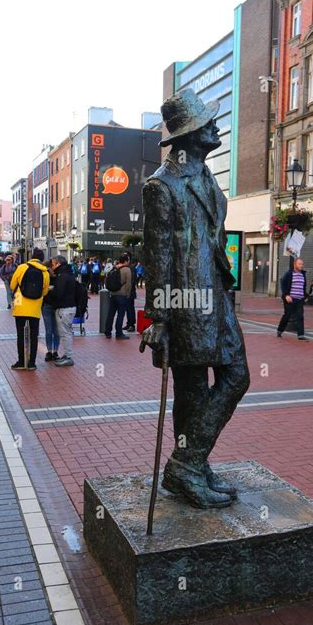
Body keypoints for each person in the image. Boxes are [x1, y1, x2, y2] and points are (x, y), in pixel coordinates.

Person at [141, 88, 250, 509]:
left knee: (235, 375)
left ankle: (189, 462)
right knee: (191, 390)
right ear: (191, 133)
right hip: (186, 304)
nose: (215, 125)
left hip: (215, 295)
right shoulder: (162, 186)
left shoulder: (205, 175)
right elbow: (159, 255)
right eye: (208, 122)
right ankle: (190, 468)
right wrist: (159, 319)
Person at [10, 248, 50, 371]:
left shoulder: (22, 267)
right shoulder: (45, 272)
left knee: (20, 334)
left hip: (20, 304)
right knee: (34, 335)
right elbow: (45, 291)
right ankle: (32, 362)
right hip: (35, 306)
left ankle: (21, 361)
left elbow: (12, 285)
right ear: (42, 259)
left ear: (31, 257)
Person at [48, 256, 77, 366]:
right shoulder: (68, 274)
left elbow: (59, 293)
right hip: (69, 307)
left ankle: (68, 356)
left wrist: (50, 293)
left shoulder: (62, 276)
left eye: (53, 264)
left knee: (65, 333)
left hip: (64, 308)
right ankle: (67, 355)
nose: (52, 266)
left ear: (58, 264)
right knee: (66, 332)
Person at [277, 258, 309, 341]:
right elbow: (283, 284)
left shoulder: (303, 274)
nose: (301, 265)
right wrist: (286, 295)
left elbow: (303, 286)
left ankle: (300, 335)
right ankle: (280, 330)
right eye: (299, 264)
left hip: (299, 299)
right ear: (295, 264)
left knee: (300, 316)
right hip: (290, 299)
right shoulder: (289, 274)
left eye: (302, 264)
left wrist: (305, 296)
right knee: (287, 316)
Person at [104, 255, 132, 340]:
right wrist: (127, 294)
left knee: (110, 314)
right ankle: (119, 333)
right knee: (120, 315)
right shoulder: (127, 269)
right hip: (122, 295)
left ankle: (108, 332)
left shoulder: (114, 268)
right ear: (126, 261)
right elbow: (128, 284)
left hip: (113, 294)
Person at [41, 261, 60, 361]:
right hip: (46, 306)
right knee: (49, 330)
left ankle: (55, 351)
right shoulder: (44, 278)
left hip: (56, 306)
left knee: (56, 330)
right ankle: (49, 351)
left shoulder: (59, 278)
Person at [123, 256, 137, 333]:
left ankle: (132, 325)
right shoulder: (129, 268)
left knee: (130, 308)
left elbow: (132, 281)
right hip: (127, 291)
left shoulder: (131, 269)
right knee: (127, 308)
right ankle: (129, 323)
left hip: (130, 292)